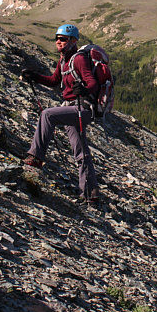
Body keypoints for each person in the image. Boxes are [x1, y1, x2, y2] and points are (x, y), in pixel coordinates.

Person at [19, 23, 100, 203]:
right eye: (57, 38)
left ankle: (36, 157)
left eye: (62, 39)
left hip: (83, 108)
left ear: (73, 41)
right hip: (72, 107)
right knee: (81, 150)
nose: (58, 42)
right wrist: (34, 76)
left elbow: (92, 82)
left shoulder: (79, 59)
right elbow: (54, 81)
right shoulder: (63, 61)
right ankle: (90, 192)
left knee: (48, 115)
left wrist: (84, 90)